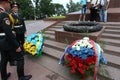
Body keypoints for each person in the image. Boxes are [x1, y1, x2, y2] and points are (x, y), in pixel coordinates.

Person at [0, 0, 32, 80]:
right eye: (9, 3)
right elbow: (8, 32)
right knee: (20, 58)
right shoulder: (3, 14)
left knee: (3, 60)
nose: (9, 6)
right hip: (7, 41)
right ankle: (21, 77)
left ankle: (4, 77)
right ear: (4, 3)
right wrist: (16, 45)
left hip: (1, 41)